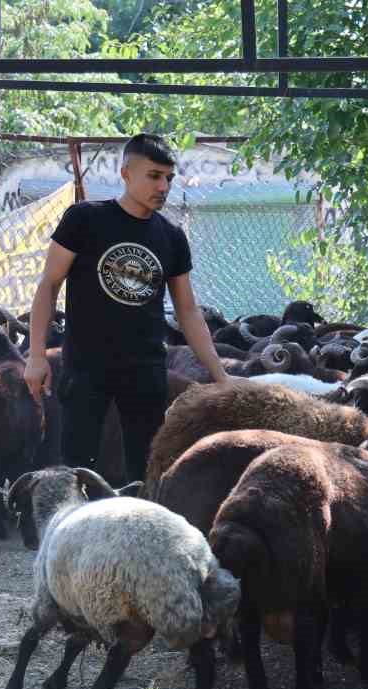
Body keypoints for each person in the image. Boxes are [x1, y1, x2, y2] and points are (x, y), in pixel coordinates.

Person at [25, 133, 229, 485]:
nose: (163, 186)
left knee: (146, 469)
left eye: (168, 178)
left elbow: (188, 311)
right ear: (126, 174)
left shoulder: (171, 237)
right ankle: (77, 537)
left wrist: (220, 375)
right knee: (78, 469)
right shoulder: (85, 219)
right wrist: (36, 355)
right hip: (86, 366)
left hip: (145, 369)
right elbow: (49, 284)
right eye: (153, 175)